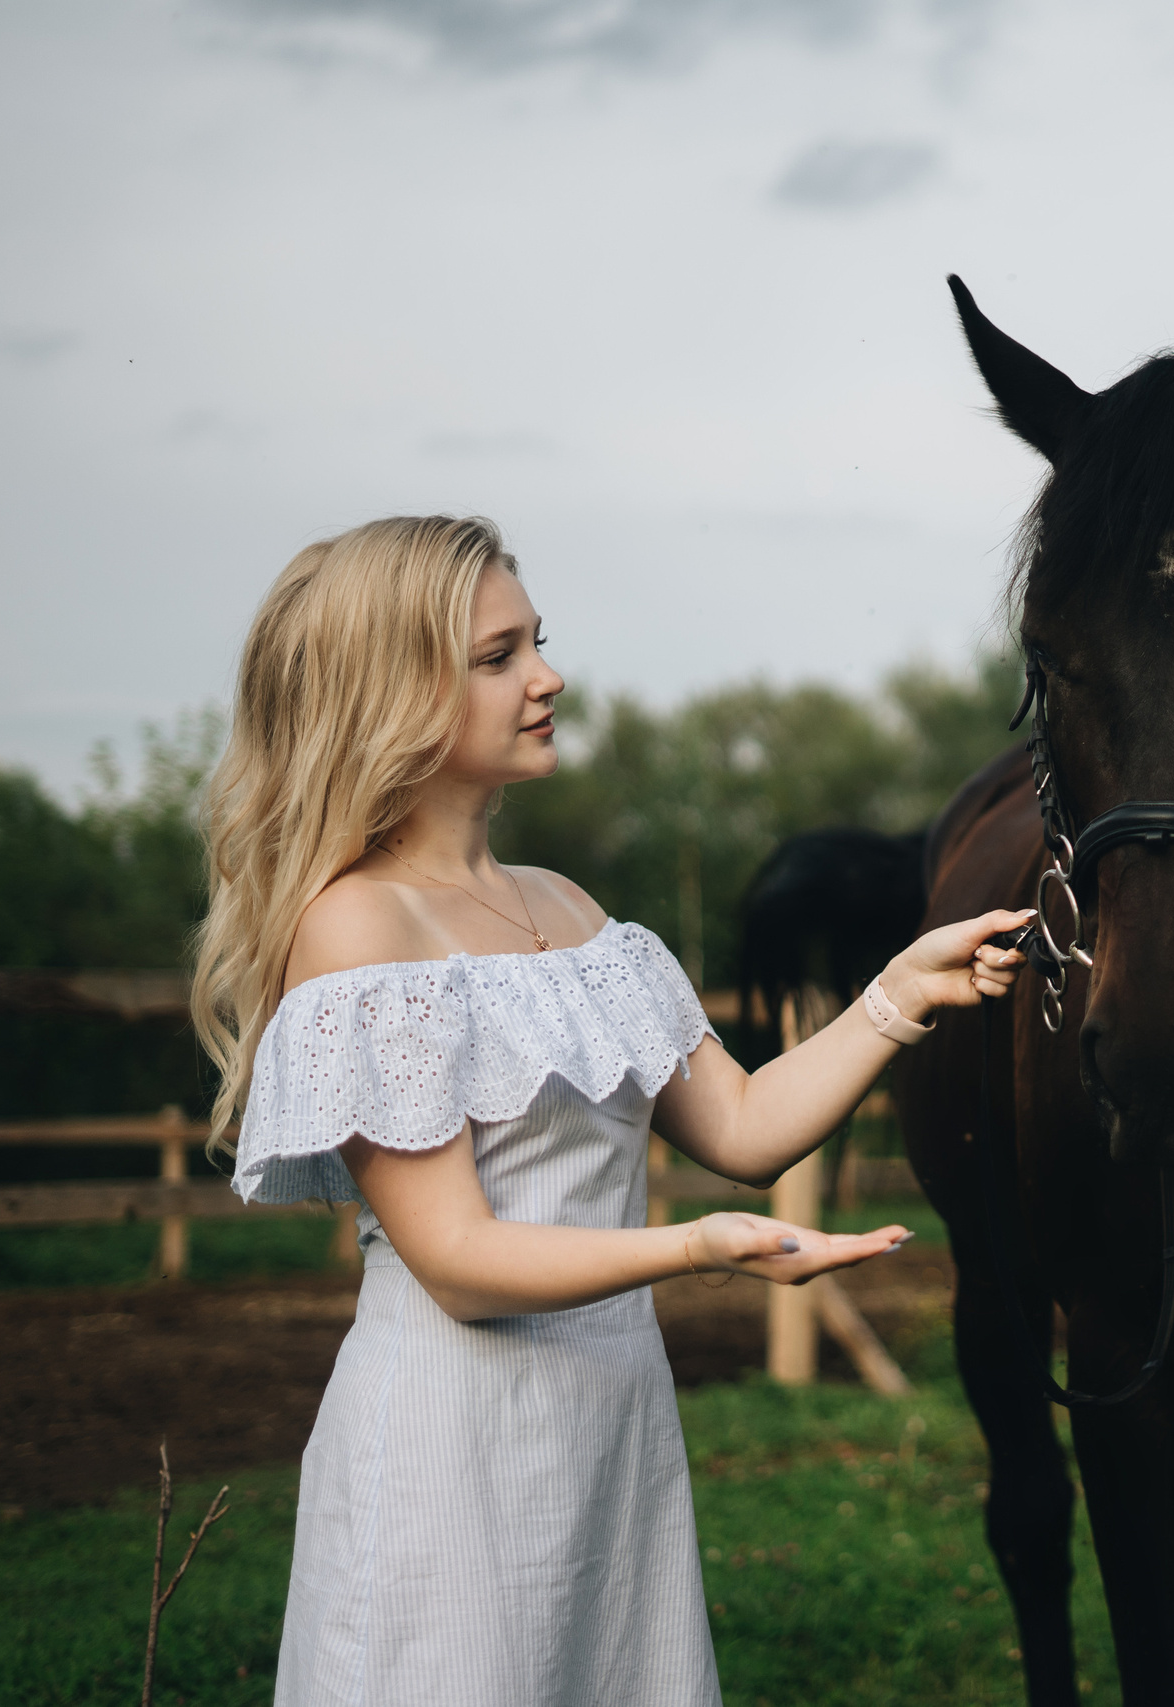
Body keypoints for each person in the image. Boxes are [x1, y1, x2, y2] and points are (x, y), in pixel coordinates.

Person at [191, 515, 1030, 1707]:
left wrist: (900, 991)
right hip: (452, 1444)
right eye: (499, 657)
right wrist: (697, 1251)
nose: (549, 678)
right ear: (389, 693)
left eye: (537, 643)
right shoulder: (358, 929)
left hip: (612, 1434)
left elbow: (740, 1127)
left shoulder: (573, 911)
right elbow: (459, 1262)